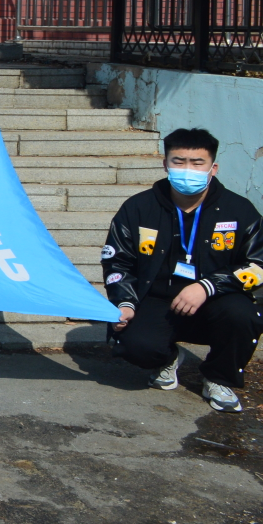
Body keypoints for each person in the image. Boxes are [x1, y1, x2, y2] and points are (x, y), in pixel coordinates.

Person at [104, 128, 263, 413]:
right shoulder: (138, 207)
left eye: (197, 163)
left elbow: (258, 264)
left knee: (244, 316)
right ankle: (166, 359)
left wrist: (207, 286)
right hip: (156, 299)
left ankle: (219, 378)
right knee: (133, 343)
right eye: (179, 162)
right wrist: (124, 302)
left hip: (217, 300)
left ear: (213, 168)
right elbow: (118, 261)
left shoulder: (239, 210)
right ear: (165, 164)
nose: (188, 170)